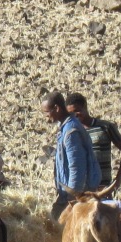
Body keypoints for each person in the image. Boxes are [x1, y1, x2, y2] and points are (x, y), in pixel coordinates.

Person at [41, 90, 100, 220]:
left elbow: (76, 167)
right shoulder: (67, 127)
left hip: (76, 195)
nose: (45, 117)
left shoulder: (71, 131)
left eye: (46, 112)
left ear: (56, 108)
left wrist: (72, 197)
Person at [65, 92, 121, 199]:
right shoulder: (71, 132)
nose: (75, 115)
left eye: (77, 111)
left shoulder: (105, 127)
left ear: (85, 107)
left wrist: (118, 179)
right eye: (71, 113)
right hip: (80, 190)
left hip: (102, 189)